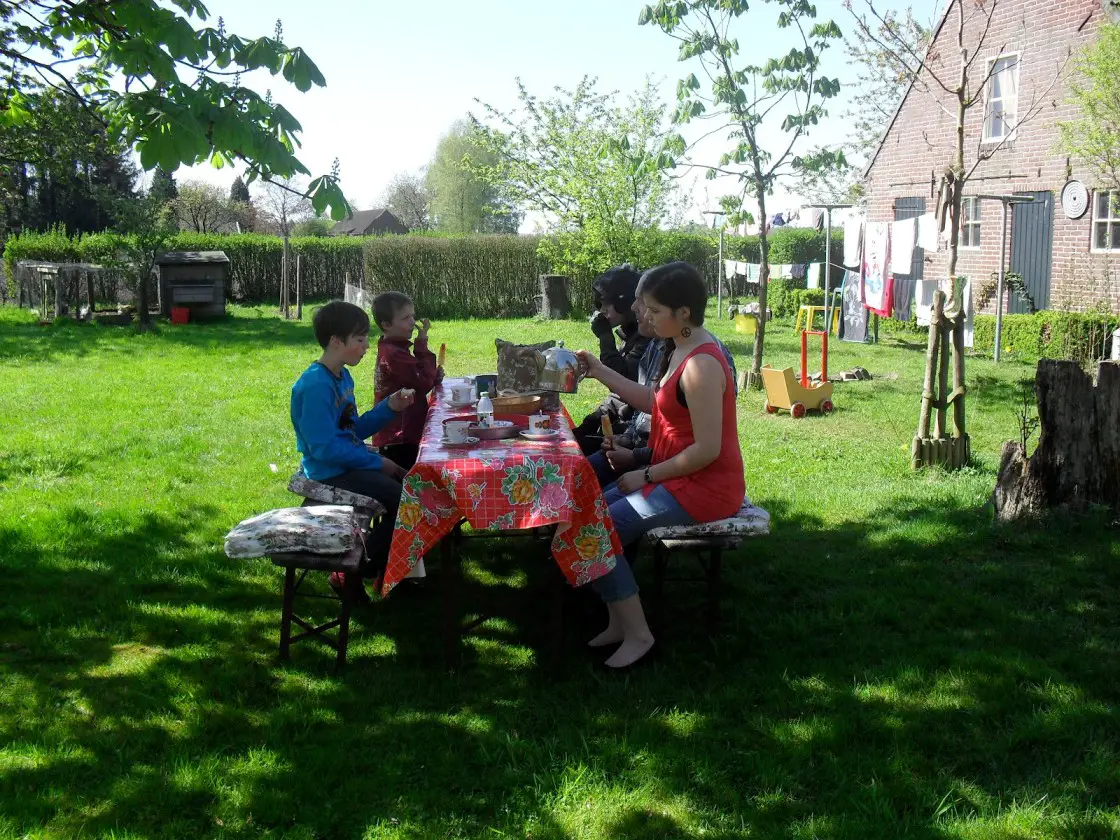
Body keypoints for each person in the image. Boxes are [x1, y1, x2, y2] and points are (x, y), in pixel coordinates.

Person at [576, 262, 745, 669]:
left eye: (652, 309)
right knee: (590, 516)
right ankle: (620, 622)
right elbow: (656, 403)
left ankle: (639, 635)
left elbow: (707, 450)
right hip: (677, 477)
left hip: (705, 487)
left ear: (682, 312)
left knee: (600, 527)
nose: (643, 315)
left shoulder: (702, 364)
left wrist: (644, 474)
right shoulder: (679, 346)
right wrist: (600, 372)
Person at [290, 300, 415, 597]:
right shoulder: (315, 386)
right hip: (328, 471)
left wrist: (389, 408)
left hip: (344, 463)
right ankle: (358, 569)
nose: (366, 346)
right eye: (360, 340)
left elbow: (351, 431)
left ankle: (383, 566)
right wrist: (376, 464)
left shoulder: (341, 376)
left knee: (409, 484)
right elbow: (325, 450)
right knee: (404, 499)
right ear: (336, 341)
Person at [588, 287, 739, 489]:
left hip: (674, 473)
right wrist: (624, 439)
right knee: (573, 478)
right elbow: (651, 404)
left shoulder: (701, 363)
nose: (635, 308)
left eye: (649, 306)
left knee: (594, 509)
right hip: (648, 458)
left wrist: (637, 461)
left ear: (683, 312)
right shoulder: (662, 345)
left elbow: (695, 444)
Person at [573, 264, 652, 454]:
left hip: (635, 433)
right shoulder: (631, 333)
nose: (603, 310)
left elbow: (624, 381)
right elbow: (617, 395)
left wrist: (605, 337)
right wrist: (596, 418)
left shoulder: (648, 337)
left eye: (607, 304)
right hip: (625, 421)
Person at [370, 291, 443, 471]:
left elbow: (417, 380)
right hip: (399, 438)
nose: (413, 322)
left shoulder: (394, 349)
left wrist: (433, 377)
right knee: (407, 488)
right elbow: (423, 382)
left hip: (398, 434)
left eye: (413, 316)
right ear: (386, 325)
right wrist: (421, 343)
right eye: (405, 318)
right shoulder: (394, 354)